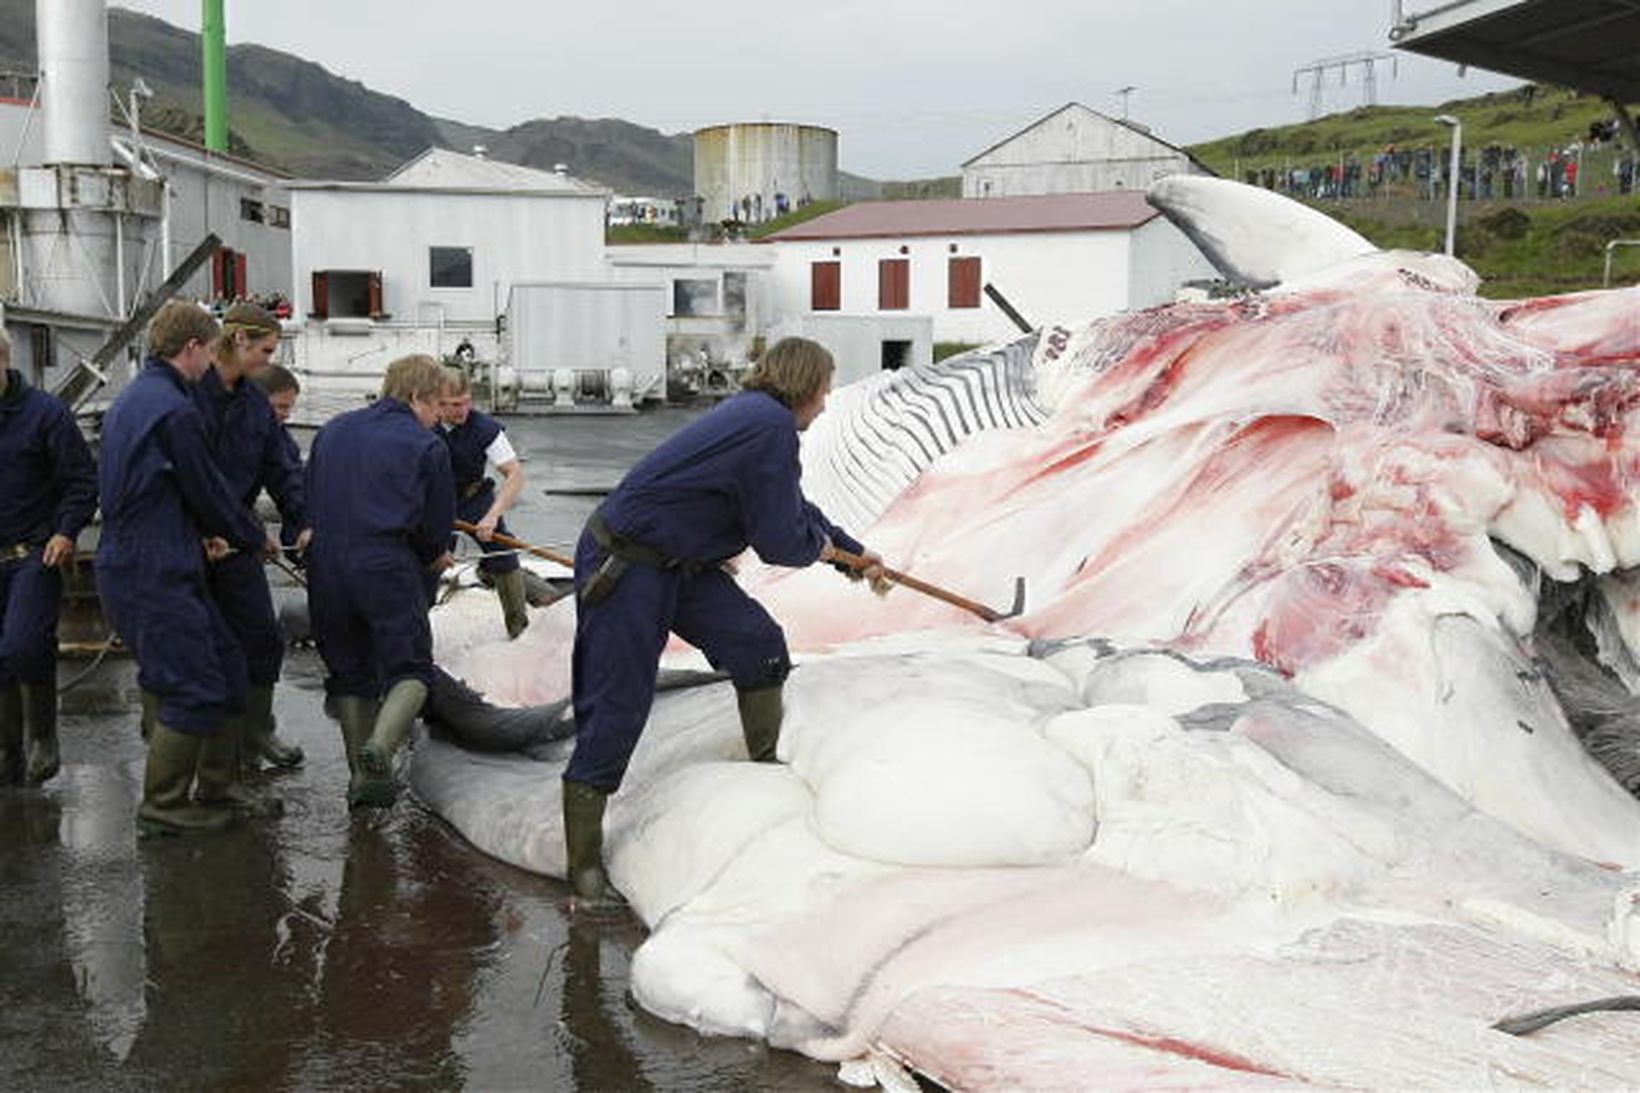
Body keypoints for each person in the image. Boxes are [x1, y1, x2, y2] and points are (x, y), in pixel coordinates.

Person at [562, 336, 885, 904]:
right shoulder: (768, 426)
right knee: (619, 701)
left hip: (681, 564)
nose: (828, 405)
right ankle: (583, 866)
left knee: (756, 642)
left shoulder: (758, 420)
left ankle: (763, 772)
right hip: (628, 565)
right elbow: (781, 541)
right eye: (825, 391)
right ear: (805, 387)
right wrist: (829, 553)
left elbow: (791, 508)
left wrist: (852, 552)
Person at [97, 300, 269, 835]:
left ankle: (221, 785)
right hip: (152, 568)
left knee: (227, 664)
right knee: (192, 684)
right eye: (209, 351)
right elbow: (205, 489)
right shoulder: (176, 410)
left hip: (152, 556)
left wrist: (203, 534)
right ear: (193, 348)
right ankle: (164, 805)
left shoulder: (135, 398)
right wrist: (248, 535)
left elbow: (160, 487)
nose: (211, 363)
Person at [305, 354, 454, 808]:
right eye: (437, 407)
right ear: (417, 397)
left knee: (349, 673)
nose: (437, 419)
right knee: (411, 668)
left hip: (326, 562)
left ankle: (361, 779)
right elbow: (434, 529)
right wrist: (437, 556)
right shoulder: (427, 447)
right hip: (385, 562)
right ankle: (380, 751)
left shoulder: (332, 431)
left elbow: (309, 493)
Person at [194, 303, 310, 789]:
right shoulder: (188, 397)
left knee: (261, 639)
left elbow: (283, 470)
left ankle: (256, 732)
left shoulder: (254, 408)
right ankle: (202, 760)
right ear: (239, 341)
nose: (268, 361)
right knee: (201, 653)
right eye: (265, 351)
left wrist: (302, 521)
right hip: (189, 542)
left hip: (236, 541)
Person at [0, 327, 97, 785]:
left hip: (34, 551)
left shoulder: (46, 415)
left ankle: (43, 734)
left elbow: (81, 481)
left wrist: (65, 531)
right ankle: (7, 750)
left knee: (22, 644)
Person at [438, 367, 530, 639]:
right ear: (436, 400)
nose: (463, 410)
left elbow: (514, 474)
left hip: (472, 498)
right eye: (455, 405)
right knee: (429, 561)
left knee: (503, 554)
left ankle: (518, 629)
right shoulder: (421, 423)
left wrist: (492, 515)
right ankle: (417, 630)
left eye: (467, 402)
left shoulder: (483, 428)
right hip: (434, 502)